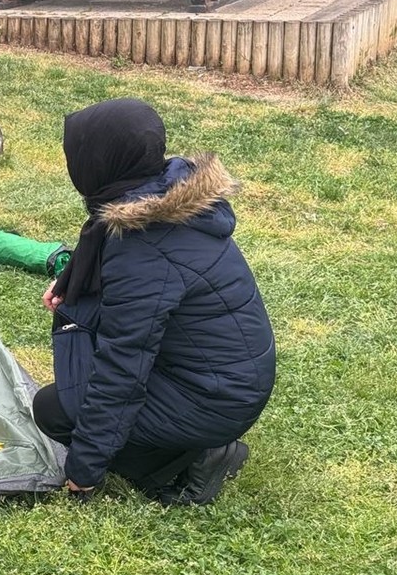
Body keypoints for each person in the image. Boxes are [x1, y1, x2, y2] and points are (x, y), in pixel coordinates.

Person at [32, 98, 275, 505]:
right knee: (84, 364)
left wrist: (83, 470)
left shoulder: (142, 246)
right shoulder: (159, 198)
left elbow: (123, 367)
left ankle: (186, 463)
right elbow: (139, 300)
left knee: (55, 409)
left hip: (213, 397)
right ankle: (191, 445)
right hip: (223, 378)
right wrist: (71, 287)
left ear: (100, 162)